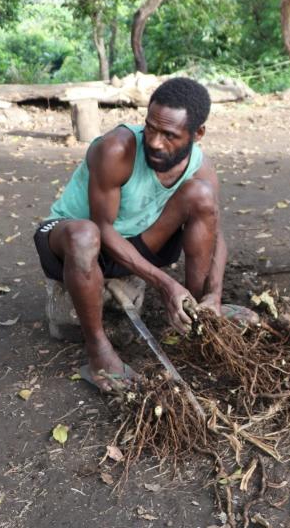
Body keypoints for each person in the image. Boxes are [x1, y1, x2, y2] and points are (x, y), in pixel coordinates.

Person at [34, 77, 227, 391]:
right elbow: (103, 228)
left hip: (136, 243)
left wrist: (213, 295)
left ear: (198, 134)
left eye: (169, 135)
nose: (154, 141)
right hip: (73, 242)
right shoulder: (116, 149)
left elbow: (216, 233)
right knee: (85, 235)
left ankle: (194, 316)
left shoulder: (201, 168)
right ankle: (98, 350)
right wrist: (165, 283)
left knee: (203, 199)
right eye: (150, 127)